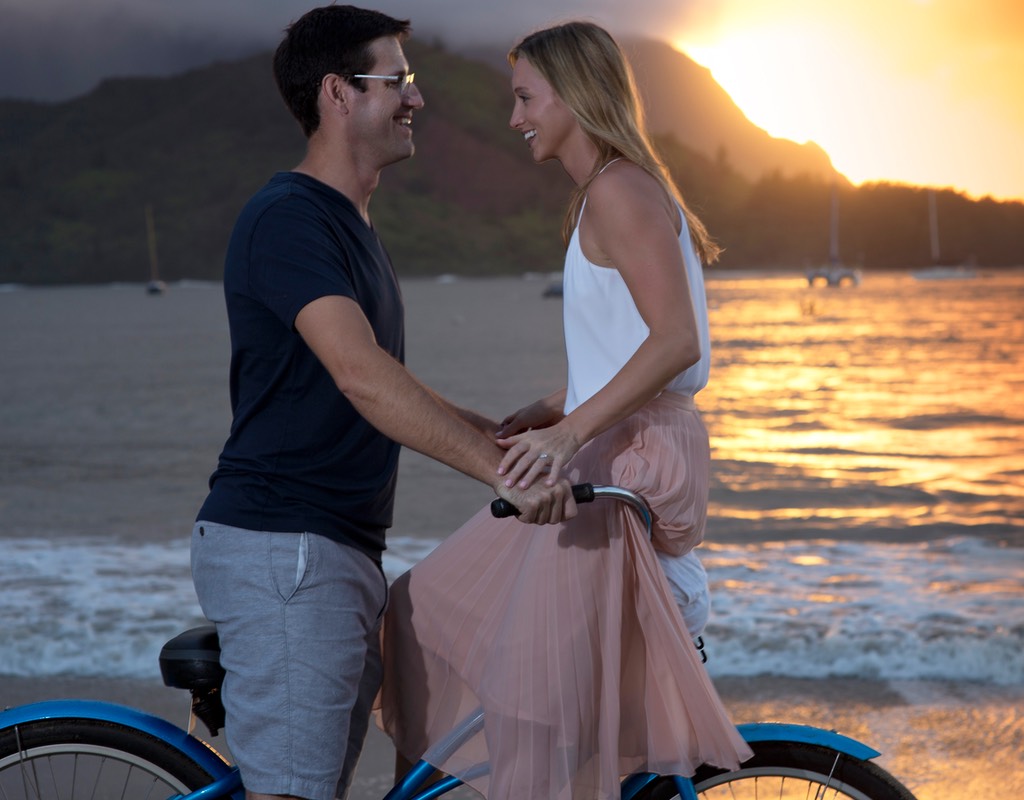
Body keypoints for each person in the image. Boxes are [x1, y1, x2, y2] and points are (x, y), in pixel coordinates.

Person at [190, 7, 574, 800]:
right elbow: (362, 376)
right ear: (337, 94)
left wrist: (514, 441)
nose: (416, 98)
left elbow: (393, 385)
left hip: (335, 550)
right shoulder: (291, 217)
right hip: (287, 551)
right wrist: (501, 475)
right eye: (396, 80)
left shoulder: (352, 223)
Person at [375, 20, 752, 800]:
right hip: (616, 439)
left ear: (574, 97)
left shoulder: (618, 189)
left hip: (627, 452)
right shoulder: (612, 192)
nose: (515, 119)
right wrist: (554, 404)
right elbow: (632, 341)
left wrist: (572, 428)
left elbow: (677, 342)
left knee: (527, 688)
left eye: (525, 98)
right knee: (454, 628)